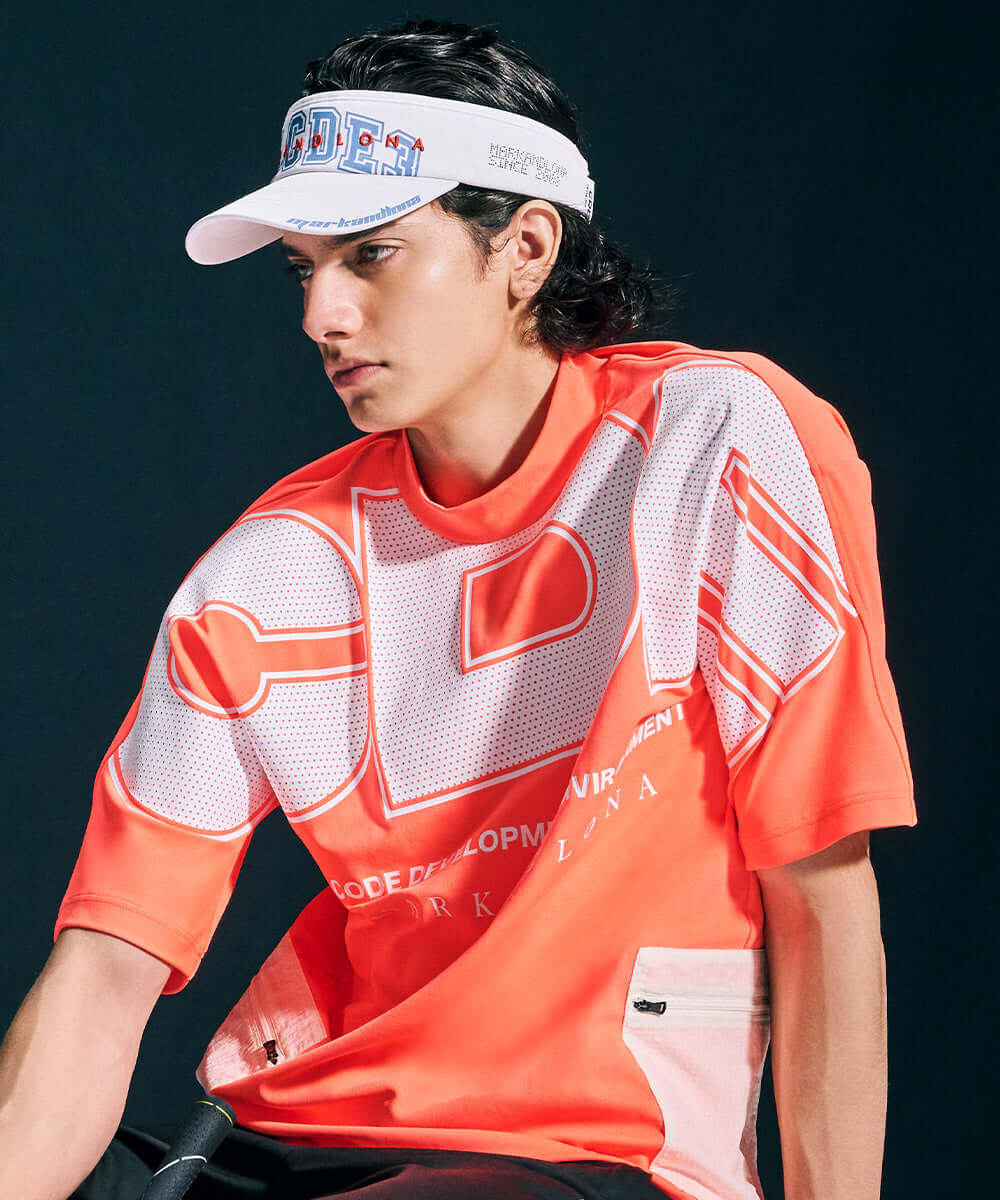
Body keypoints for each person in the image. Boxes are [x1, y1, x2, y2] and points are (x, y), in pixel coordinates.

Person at [0, 17, 916, 1200]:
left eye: (371, 254)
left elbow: (820, 885)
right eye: (303, 269)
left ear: (525, 246)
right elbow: (104, 969)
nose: (320, 315)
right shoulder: (269, 568)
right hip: (289, 1142)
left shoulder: (716, 444)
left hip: (579, 1155)